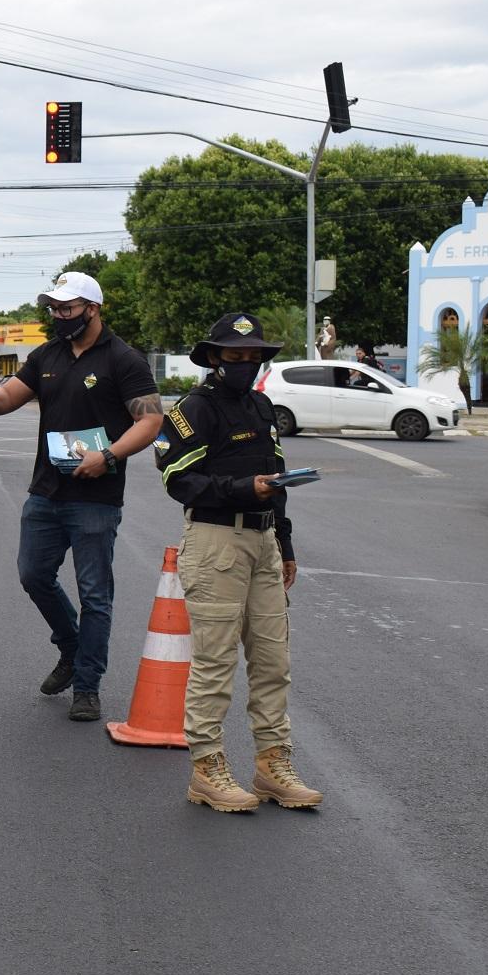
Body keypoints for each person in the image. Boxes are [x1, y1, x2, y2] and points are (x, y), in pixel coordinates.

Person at [0, 271, 163, 722]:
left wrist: (108, 456)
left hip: (96, 497)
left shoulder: (123, 359)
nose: (58, 316)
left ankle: (87, 685)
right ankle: (72, 645)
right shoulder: (48, 354)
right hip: (46, 492)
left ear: (92, 309)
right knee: (33, 575)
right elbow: (7, 401)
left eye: (67, 308)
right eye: (54, 308)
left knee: (95, 594)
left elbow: (151, 421)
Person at [156, 313, 322, 813]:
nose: (246, 364)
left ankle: (273, 765)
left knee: (273, 662)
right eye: (235, 357)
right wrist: (238, 490)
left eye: (254, 357)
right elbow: (176, 478)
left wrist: (286, 544)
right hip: (215, 542)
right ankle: (207, 768)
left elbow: (276, 476)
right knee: (215, 663)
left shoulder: (262, 405)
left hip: (263, 543)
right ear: (213, 359)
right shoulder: (193, 410)